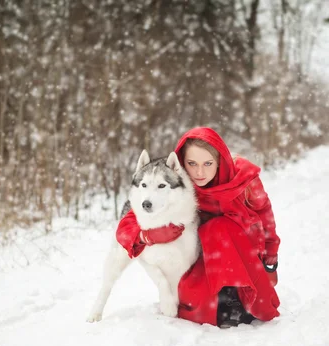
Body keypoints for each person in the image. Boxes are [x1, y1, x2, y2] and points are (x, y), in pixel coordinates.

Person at [116, 127, 281, 328]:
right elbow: (129, 221)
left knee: (218, 227)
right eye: (192, 164)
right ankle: (218, 301)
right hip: (203, 253)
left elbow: (265, 215)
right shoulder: (178, 184)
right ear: (181, 164)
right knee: (192, 306)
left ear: (220, 161)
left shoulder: (243, 179)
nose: (200, 172)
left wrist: (270, 259)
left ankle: (235, 297)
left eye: (208, 163)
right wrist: (146, 236)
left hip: (243, 249)